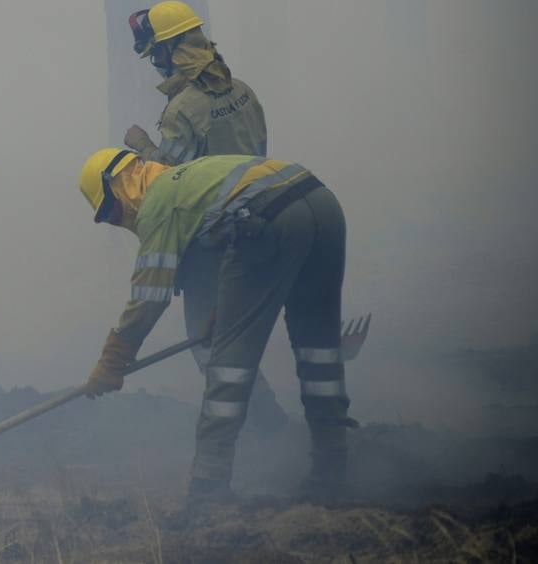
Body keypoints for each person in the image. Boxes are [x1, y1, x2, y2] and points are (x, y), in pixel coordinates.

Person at [78, 148, 352, 501]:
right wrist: (222, 307)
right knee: (319, 348)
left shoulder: (158, 202)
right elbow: (223, 254)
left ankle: (208, 485)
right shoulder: (189, 181)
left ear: (118, 184)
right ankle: (333, 471)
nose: (115, 220)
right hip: (322, 204)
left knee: (228, 364)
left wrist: (114, 356)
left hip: (267, 218)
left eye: (108, 211)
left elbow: (150, 295)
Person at [126, 0, 287, 434]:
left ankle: (259, 427)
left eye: (156, 54)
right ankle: (269, 422)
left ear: (173, 48)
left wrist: (139, 145)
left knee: (206, 341)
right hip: (263, 222)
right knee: (237, 332)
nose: (156, 65)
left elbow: (166, 175)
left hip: (209, 239)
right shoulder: (244, 92)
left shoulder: (183, 111)